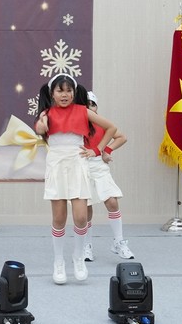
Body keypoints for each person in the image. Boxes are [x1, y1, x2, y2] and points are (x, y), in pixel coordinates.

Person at [34, 74, 116, 285]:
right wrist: (42, 123)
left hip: (78, 164)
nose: (65, 95)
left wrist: (97, 150)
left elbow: (111, 128)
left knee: (81, 217)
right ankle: (58, 261)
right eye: (60, 91)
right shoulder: (46, 113)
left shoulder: (83, 111)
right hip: (57, 165)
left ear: (74, 92)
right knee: (59, 218)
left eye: (69, 90)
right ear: (52, 93)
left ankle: (78, 257)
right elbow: (40, 129)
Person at [82, 91, 134, 261]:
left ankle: (118, 242)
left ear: (96, 107)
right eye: (86, 104)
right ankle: (86, 246)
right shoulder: (76, 123)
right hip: (81, 166)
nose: (90, 107)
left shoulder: (102, 123)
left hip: (99, 165)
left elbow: (122, 137)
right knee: (85, 208)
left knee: (112, 201)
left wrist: (107, 150)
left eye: (92, 104)